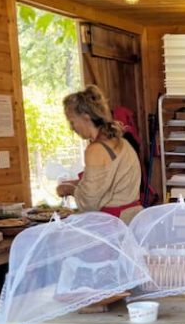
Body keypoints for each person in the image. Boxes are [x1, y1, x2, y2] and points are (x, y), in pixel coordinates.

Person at [55, 85, 142, 222]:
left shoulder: (96, 149)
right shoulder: (121, 142)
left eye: (72, 121)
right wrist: (78, 183)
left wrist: (69, 189)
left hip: (113, 222)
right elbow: (107, 184)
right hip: (132, 218)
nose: (71, 128)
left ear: (85, 117)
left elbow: (89, 203)